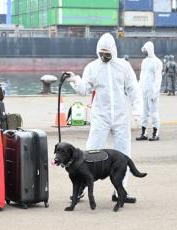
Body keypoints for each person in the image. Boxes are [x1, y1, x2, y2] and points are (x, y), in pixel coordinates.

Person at [67, 33, 142, 203]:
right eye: (101, 54)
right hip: (101, 115)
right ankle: (80, 189)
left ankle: (120, 192)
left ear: (113, 52)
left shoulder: (124, 66)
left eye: (107, 54)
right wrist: (75, 80)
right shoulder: (92, 67)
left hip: (121, 116)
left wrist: (137, 112)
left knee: (123, 154)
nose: (104, 57)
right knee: (91, 152)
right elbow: (84, 89)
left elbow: (133, 90)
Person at [136, 41, 162, 142]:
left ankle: (155, 133)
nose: (144, 52)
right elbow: (141, 77)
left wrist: (155, 92)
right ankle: (144, 133)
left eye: (146, 50)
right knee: (144, 113)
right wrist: (139, 89)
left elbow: (158, 78)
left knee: (154, 113)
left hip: (152, 91)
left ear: (150, 49)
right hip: (144, 91)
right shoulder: (144, 61)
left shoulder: (157, 62)